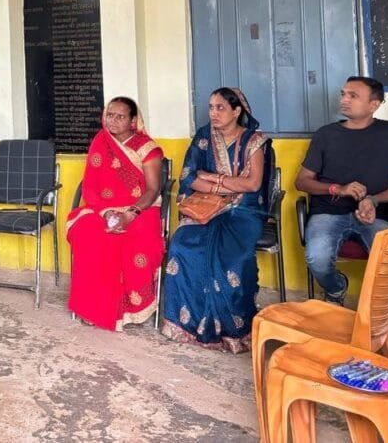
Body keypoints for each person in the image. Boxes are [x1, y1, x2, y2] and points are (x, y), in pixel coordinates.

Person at [162, 88, 270, 353]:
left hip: (243, 212)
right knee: (182, 244)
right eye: (211, 107)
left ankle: (234, 328)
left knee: (230, 256)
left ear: (237, 111)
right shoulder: (203, 138)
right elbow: (190, 177)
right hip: (205, 208)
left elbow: (253, 184)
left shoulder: (254, 141)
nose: (213, 113)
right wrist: (226, 186)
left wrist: (214, 178)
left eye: (220, 107)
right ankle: (187, 325)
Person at [295, 76, 388, 306]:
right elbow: (302, 182)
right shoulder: (326, 134)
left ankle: (378, 311)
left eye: (353, 96)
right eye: (343, 94)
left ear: (374, 104)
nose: (344, 100)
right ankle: (336, 288)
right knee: (317, 259)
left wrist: (373, 200)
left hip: (376, 215)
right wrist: (338, 189)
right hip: (327, 212)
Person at [67, 97, 164, 331]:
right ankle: (93, 306)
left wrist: (130, 214)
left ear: (133, 120)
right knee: (87, 232)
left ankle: (129, 308)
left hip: (141, 207)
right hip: (103, 207)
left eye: (120, 116)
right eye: (110, 115)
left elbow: (153, 190)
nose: (113, 120)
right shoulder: (100, 141)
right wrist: (106, 211)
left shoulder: (147, 148)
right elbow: (90, 186)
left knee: (137, 239)